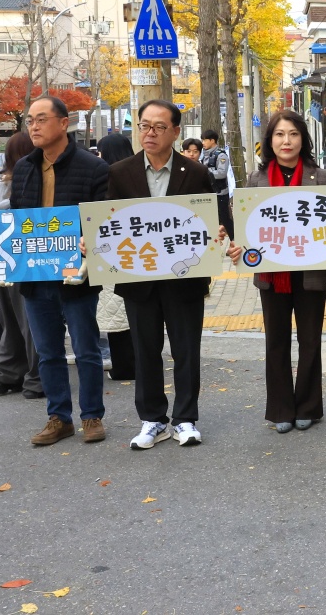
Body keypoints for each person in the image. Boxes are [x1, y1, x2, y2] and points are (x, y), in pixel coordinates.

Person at [110, 100, 224, 449]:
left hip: (185, 277)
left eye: (159, 127)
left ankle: (186, 419)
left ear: (176, 131)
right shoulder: (120, 172)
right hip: (139, 281)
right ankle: (152, 420)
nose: (150, 132)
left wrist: (217, 233)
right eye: (144, 125)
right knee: (145, 351)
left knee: (186, 350)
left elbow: (208, 221)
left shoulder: (196, 173)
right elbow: (109, 223)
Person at [14, 96, 112, 447]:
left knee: (86, 349)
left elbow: (103, 223)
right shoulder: (24, 168)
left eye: (41, 119)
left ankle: (91, 416)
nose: (35, 126)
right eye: (30, 121)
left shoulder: (94, 168)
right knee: (48, 351)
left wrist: (90, 241)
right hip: (35, 275)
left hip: (77, 275)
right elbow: (16, 222)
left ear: (64, 122)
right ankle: (58, 417)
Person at [229, 110, 326, 433]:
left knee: (310, 341)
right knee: (276, 342)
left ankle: (307, 406)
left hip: (311, 273)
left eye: (293, 134)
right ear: (269, 141)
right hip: (272, 275)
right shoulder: (256, 180)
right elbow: (246, 229)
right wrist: (238, 247)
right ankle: (280, 409)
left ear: (303, 139)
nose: (286, 141)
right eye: (279, 134)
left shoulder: (322, 177)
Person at [0, 132, 43, 399]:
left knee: (9, 319)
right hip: (33, 257)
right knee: (32, 320)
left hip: (3, 258)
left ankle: (7, 373)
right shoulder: (39, 178)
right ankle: (36, 377)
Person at [94, 132, 138, 381]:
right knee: (132, 316)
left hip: (112, 256)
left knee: (115, 317)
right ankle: (136, 363)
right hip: (139, 255)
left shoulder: (107, 179)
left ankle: (123, 367)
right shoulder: (138, 175)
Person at [199, 128, 233, 242]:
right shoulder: (204, 155)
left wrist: (205, 173)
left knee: (225, 218)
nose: (203, 143)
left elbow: (222, 173)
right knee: (212, 219)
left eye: (204, 140)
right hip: (209, 192)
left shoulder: (221, 155)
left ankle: (234, 240)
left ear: (212, 140)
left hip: (220, 192)